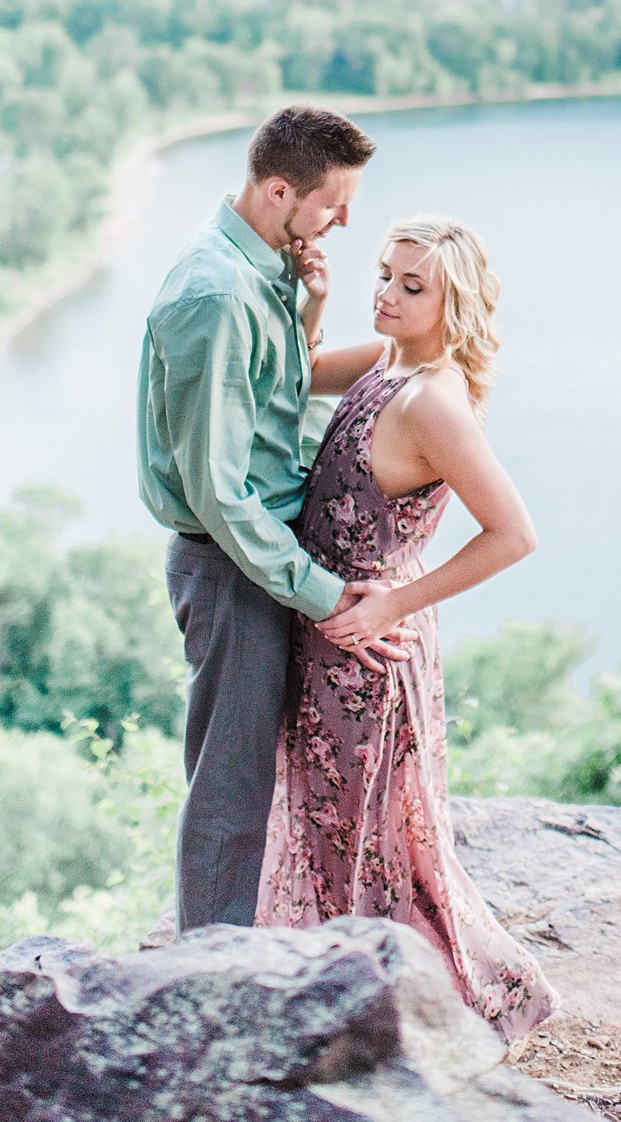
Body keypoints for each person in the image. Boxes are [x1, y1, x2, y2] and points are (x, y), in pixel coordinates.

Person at [256, 214, 560, 1048]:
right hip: (330, 638)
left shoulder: (433, 401)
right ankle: (344, 994)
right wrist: (313, 295)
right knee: (334, 831)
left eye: (410, 286)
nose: (386, 294)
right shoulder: (391, 363)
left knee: (370, 840)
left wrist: (394, 602)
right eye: (384, 275)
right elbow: (303, 375)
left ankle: (417, 1010)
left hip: (368, 656)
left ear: (450, 303)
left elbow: (514, 534)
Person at [136, 105, 413, 934]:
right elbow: (220, 492)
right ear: (279, 189)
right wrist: (323, 594)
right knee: (231, 786)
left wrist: (312, 309)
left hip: (259, 562)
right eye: (334, 202)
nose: (345, 220)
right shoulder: (214, 294)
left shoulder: (262, 273)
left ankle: (242, 953)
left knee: (256, 774)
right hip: (232, 569)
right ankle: (212, 982)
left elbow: (269, 401)